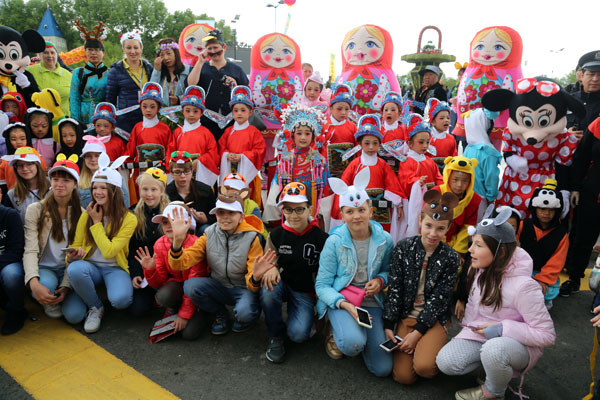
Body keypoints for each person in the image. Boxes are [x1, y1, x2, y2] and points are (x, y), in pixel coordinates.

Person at [436, 207, 556, 400]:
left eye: (478, 245)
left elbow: (547, 335)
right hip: (482, 336)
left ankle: (493, 392)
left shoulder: (524, 286)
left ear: (500, 253)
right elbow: (474, 311)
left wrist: (501, 329)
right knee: (446, 362)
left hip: (514, 345)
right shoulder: (478, 270)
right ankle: (494, 368)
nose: (470, 250)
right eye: (472, 243)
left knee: (494, 350)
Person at [315, 169, 393, 377]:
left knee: (383, 369)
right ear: (342, 215)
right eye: (350, 212)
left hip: (371, 302)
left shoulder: (385, 239)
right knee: (352, 345)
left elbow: (387, 270)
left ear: (371, 211)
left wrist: (379, 280)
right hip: (343, 299)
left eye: (361, 210)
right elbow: (322, 285)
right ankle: (336, 329)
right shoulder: (334, 242)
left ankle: (361, 335)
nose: (356, 216)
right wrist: (345, 305)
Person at [383, 189, 460, 384]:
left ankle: (429, 347)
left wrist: (417, 334)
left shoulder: (451, 257)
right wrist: (389, 324)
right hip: (406, 315)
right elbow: (395, 288)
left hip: (432, 319)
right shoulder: (404, 247)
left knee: (424, 368)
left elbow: (440, 299)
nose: (433, 233)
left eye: (440, 228)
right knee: (403, 377)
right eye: (428, 226)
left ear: (448, 228)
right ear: (420, 221)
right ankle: (421, 349)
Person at [168, 185, 264, 335]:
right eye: (220, 212)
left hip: (242, 287)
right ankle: (220, 313)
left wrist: (256, 278)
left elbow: (253, 282)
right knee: (191, 286)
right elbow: (182, 263)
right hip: (218, 285)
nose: (225, 217)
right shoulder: (209, 233)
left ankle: (250, 315)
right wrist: (177, 243)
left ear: (241, 216)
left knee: (245, 312)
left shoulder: (252, 238)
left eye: (231, 213)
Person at [256, 182, 328, 363]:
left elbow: (326, 274)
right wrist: (271, 267)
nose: (293, 215)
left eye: (299, 209)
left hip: (305, 291)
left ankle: (298, 317)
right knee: (268, 289)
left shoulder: (322, 238)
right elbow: (267, 261)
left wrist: (321, 308)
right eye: (288, 209)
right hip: (282, 283)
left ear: (309, 209)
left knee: (298, 335)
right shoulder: (276, 235)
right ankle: (275, 335)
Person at [67, 153, 135, 333]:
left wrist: (97, 223)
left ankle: (101, 292)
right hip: (90, 268)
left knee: (121, 301)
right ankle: (96, 306)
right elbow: (76, 244)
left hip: (115, 268)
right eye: (95, 187)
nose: (97, 192)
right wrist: (72, 255)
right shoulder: (86, 214)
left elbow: (109, 252)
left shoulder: (128, 218)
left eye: (103, 188)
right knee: (74, 269)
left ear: (115, 191)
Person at [23, 154, 86, 323]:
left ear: (75, 184)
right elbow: (30, 249)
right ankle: (46, 297)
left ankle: (64, 293)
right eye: (55, 179)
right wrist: (33, 282)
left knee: (75, 316)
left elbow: (78, 256)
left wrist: (66, 285)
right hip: (45, 269)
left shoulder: (82, 214)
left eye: (66, 180)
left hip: (68, 270)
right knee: (46, 285)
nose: (59, 184)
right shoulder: (35, 209)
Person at [137, 202, 209, 340]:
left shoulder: (196, 244)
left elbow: (193, 281)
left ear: (186, 224)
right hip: (178, 286)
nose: (168, 226)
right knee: (163, 296)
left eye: (173, 221)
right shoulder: (159, 244)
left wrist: (184, 316)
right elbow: (160, 282)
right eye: (165, 222)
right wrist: (150, 270)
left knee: (189, 334)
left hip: (196, 292)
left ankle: (203, 311)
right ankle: (174, 307)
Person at [330, 114, 405, 240]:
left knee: (379, 236)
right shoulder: (355, 164)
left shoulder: (383, 165)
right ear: (360, 144)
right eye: (367, 143)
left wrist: (399, 204)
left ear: (379, 145)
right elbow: (344, 184)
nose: (371, 147)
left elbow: (393, 185)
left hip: (380, 209)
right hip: (358, 208)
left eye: (375, 143)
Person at [186, 29, 249, 140]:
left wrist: (235, 85)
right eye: (209, 49)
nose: (213, 51)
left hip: (230, 119)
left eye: (216, 48)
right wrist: (199, 62)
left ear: (224, 48)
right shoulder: (202, 67)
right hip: (207, 119)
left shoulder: (236, 70)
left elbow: (246, 94)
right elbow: (191, 84)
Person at [127, 168, 170, 317]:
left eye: (154, 189)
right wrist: (135, 274)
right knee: (137, 311)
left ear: (162, 190)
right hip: (144, 270)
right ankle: (151, 294)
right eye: (145, 189)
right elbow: (132, 249)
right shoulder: (133, 214)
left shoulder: (170, 212)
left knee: (167, 296)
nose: (149, 194)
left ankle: (163, 294)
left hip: (166, 269)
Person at [519, 179, 568, 310]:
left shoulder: (561, 234)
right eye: (542, 208)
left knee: (546, 291)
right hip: (522, 270)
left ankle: (544, 302)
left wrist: (542, 279)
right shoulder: (524, 225)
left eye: (551, 210)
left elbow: (557, 261)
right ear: (535, 208)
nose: (547, 213)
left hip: (543, 272)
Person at [218, 86, 265, 206]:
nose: (239, 113)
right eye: (236, 110)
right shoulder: (228, 131)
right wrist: (227, 155)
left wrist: (243, 157)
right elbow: (221, 147)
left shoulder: (254, 132)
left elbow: (259, 150)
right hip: (230, 170)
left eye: (243, 110)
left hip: (247, 172)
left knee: (248, 197)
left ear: (250, 112)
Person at [169, 86, 219, 187]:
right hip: (180, 173)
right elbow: (170, 153)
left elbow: (213, 155)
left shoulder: (206, 133)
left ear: (202, 113)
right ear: (182, 111)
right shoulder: (177, 132)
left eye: (195, 111)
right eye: (188, 111)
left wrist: (200, 162)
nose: (191, 114)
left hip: (200, 174)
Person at [433, 156, 482, 258]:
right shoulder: (437, 193)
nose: (459, 185)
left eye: (465, 181)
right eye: (455, 179)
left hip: (456, 242)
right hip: (433, 238)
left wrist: (458, 251)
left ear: (471, 181)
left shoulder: (473, 199)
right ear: (448, 176)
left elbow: (467, 227)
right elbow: (429, 221)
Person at [106, 30, 153, 134]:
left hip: (147, 117)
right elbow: (110, 99)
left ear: (141, 48)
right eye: (128, 48)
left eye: (136, 47)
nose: (133, 51)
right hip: (126, 121)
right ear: (123, 49)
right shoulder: (115, 71)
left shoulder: (149, 68)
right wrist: (111, 121)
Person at [462, 108, 502, 218]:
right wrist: (491, 198)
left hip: (466, 195)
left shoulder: (468, 148)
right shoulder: (488, 152)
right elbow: (492, 178)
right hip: (482, 200)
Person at [166, 151, 216, 235]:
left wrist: (206, 219)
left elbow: (216, 216)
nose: (182, 176)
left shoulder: (205, 191)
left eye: (186, 171)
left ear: (192, 171)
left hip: (200, 230)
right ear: (171, 173)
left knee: (206, 229)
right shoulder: (165, 194)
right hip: (175, 231)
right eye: (177, 172)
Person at [70, 20, 108, 124]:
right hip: (84, 115)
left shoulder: (110, 73)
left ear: (103, 52)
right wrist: (75, 122)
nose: (93, 53)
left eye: (97, 50)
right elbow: (74, 99)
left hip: (104, 115)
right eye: (90, 50)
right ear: (85, 52)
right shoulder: (79, 72)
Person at [126, 82, 172, 168]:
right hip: (140, 171)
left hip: (160, 171)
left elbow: (169, 151)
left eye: (152, 106)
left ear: (159, 108)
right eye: (144, 106)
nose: (148, 110)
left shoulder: (165, 129)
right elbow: (130, 150)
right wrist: (124, 163)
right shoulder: (137, 128)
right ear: (140, 107)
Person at [78, 135, 129, 208]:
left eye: (97, 155)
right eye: (88, 156)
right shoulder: (78, 180)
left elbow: (125, 206)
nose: (93, 159)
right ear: (84, 159)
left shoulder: (117, 178)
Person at [0, 187, 25, 334]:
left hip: (9, 263)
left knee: (12, 275)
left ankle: (17, 311)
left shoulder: (10, 215)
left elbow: (16, 250)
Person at [3, 146, 49, 223]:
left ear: (37, 165)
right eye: (20, 165)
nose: (24, 168)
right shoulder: (11, 194)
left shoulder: (53, 187)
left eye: (29, 164)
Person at [26, 42, 72, 116]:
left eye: (52, 53)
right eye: (45, 53)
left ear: (57, 55)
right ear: (39, 55)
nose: (50, 56)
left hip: (63, 121)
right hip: (39, 121)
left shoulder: (68, 75)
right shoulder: (29, 71)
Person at [150, 38, 191, 106]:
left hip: (184, 113)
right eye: (162, 55)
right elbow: (151, 90)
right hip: (163, 114)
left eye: (169, 53)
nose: (166, 58)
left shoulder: (188, 70)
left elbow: (194, 93)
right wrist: (157, 71)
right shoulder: (158, 72)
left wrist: (179, 99)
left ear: (176, 53)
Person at [424, 98, 456, 164]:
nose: (446, 120)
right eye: (441, 118)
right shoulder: (426, 137)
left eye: (448, 118)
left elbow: (454, 158)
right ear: (433, 122)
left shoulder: (451, 139)